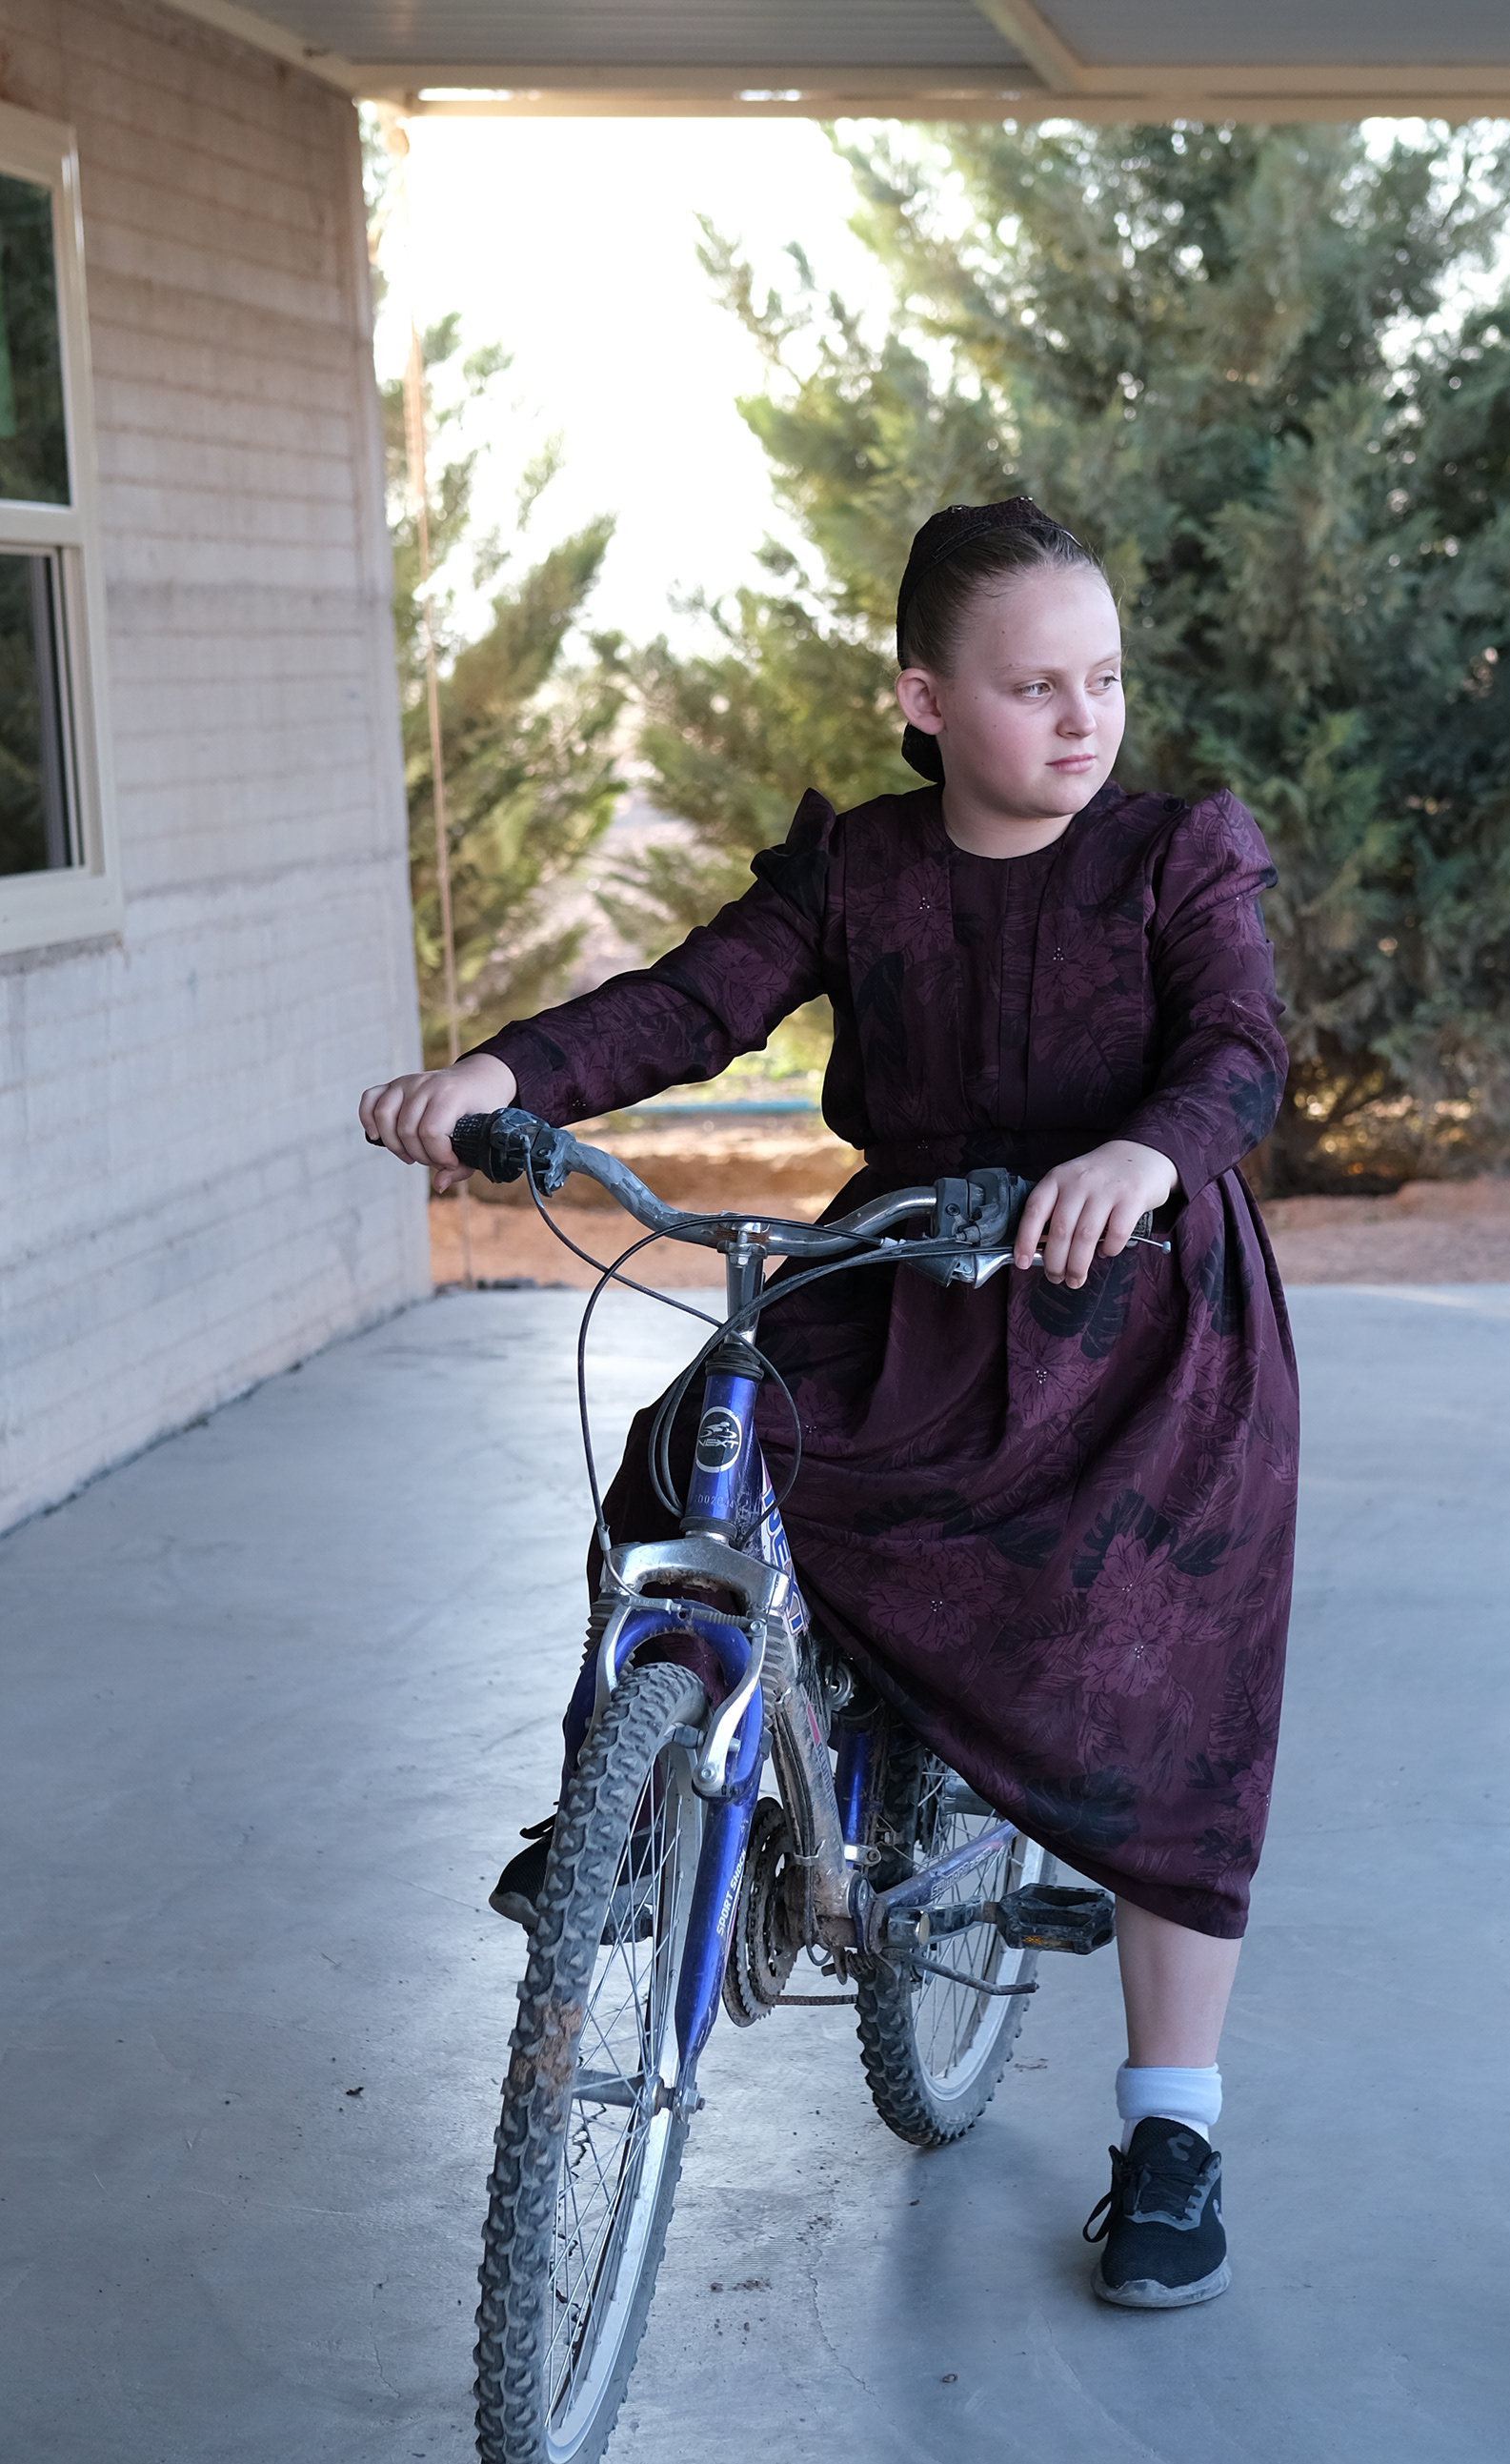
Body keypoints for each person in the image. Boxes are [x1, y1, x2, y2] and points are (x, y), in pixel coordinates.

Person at [361, 495, 1299, 2312]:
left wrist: (1143, 1155)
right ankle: (626, 1800)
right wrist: (498, 1071)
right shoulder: (861, 871)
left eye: (1104, 680)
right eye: (1035, 687)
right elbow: (693, 999)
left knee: (1164, 1670)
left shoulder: (1178, 855)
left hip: (1142, 1303)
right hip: (916, 1268)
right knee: (686, 1453)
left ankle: (1172, 2126)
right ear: (927, 700)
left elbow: (1240, 1053)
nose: (1083, 719)